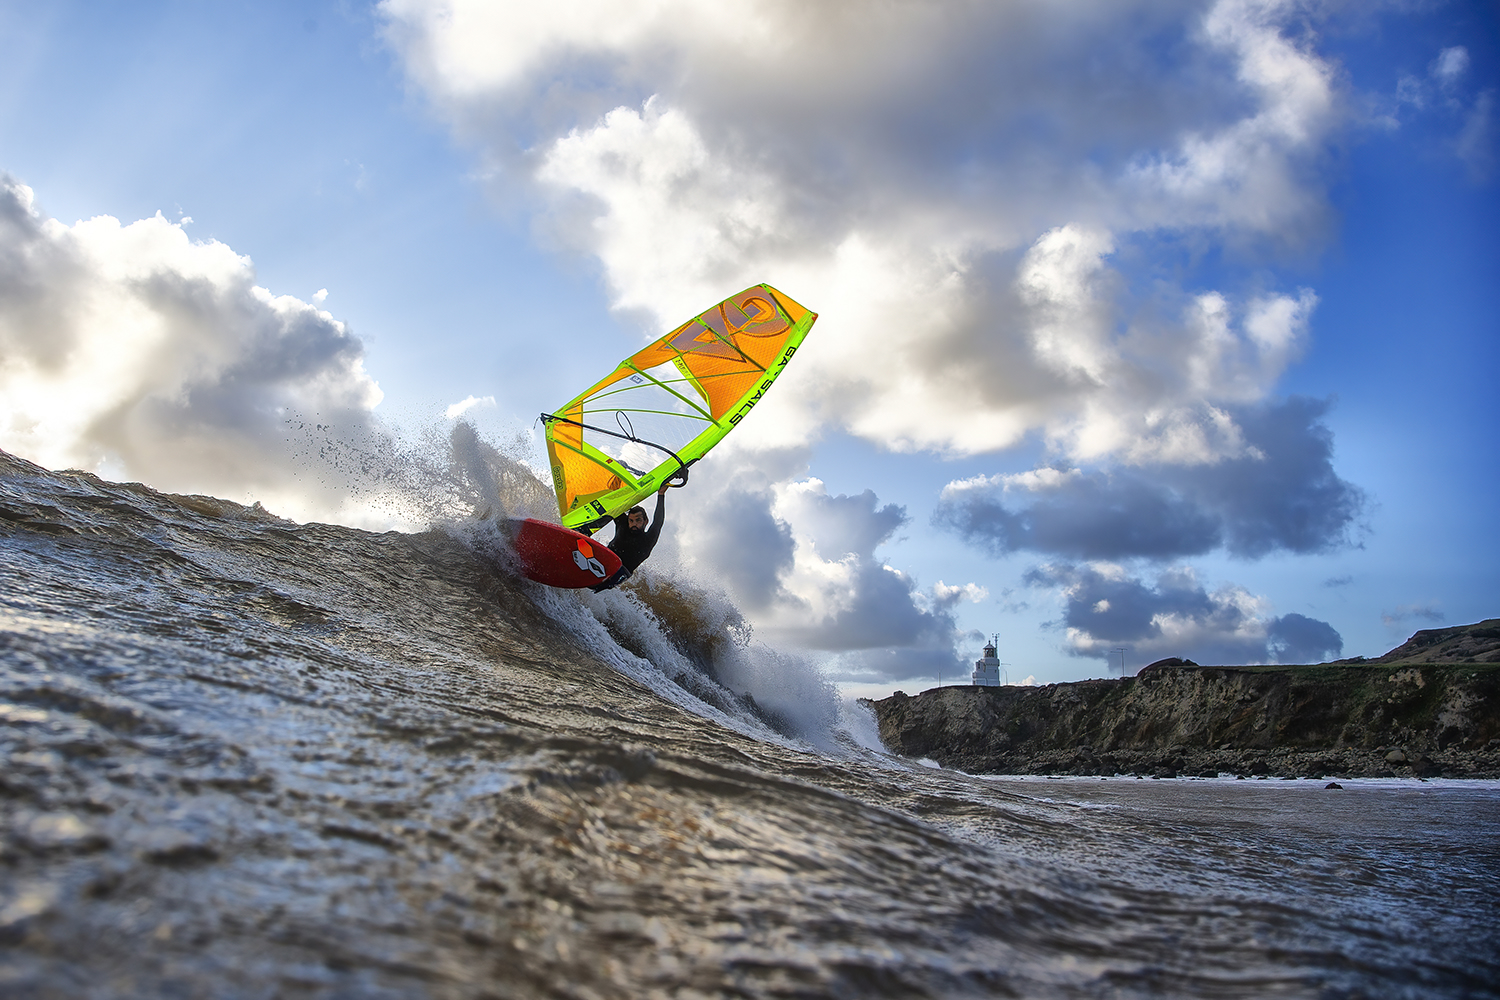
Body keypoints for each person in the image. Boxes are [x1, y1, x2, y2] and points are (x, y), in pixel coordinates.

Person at [576, 482, 670, 591]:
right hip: (602, 559)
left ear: (646, 521)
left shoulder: (648, 539)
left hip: (618, 573)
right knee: (608, 513)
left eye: (638, 520)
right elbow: (615, 504)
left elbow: (658, 522)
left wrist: (661, 494)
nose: (634, 523)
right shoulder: (623, 525)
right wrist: (614, 490)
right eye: (631, 520)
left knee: (594, 583)